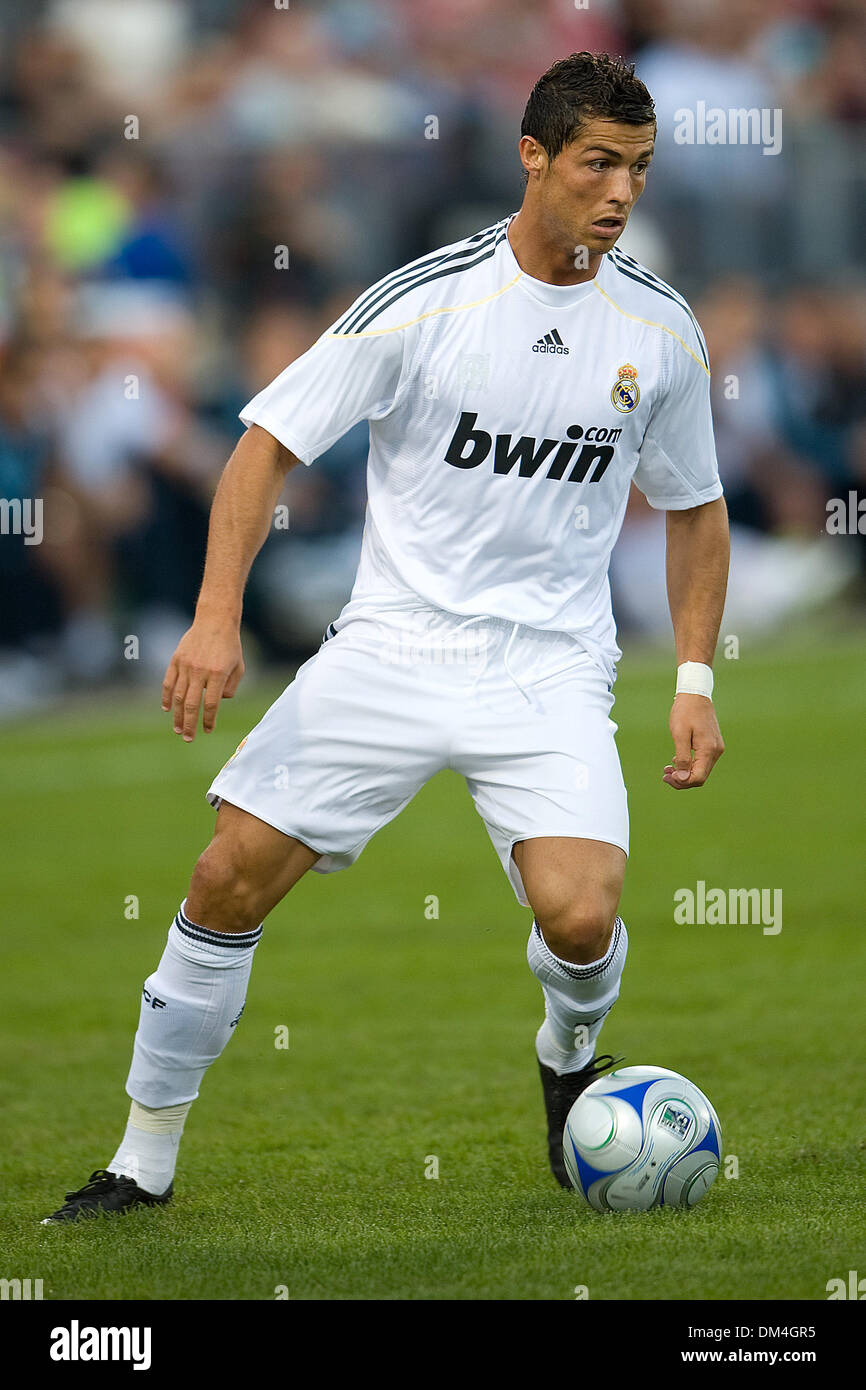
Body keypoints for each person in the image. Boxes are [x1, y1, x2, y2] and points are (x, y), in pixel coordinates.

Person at [44, 52, 728, 1222]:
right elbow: (262, 448)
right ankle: (139, 1159)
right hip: (392, 649)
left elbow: (695, 508)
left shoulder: (657, 330)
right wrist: (215, 620)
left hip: (547, 667)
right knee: (225, 880)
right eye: (597, 164)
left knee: (581, 915)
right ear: (533, 157)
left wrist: (695, 676)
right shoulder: (426, 300)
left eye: (638, 169)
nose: (620, 193)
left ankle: (568, 1056)